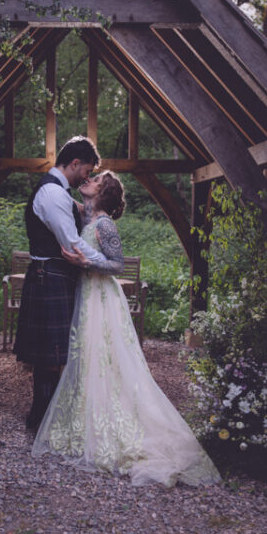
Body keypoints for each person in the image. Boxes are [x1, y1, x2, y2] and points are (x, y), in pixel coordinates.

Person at [32, 171, 221, 487]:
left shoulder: (105, 224)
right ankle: (87, 421)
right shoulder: (87, 219)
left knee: (103, 356)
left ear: (102, 191)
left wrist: (85, 264)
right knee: (86, 356)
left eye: (94, 180)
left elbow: (117, 264)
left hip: (102, 298)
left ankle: (115, 427)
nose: (88, 181)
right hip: (86, 294)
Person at [13, 137, 124, 431]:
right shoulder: (52, 193)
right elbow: (72, 244)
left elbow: (92, 221)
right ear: (74, 164)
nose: (87, 176)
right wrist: (96, 261)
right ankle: (41, 419)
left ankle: (46, 416)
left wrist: (95, 259)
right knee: (50, 355)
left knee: (55, 353)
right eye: (87, 170)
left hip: (55, 276)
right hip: (50, 275)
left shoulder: (61, 194)